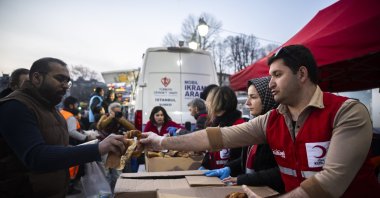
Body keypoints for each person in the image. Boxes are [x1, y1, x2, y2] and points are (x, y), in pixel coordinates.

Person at [140, 45, 380, 197]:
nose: (271, 83)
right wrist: (161, 142)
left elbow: (331, 182)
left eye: (277, 75)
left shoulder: (347, 112)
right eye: (270, 75)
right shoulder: (272, 119)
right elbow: (217, 137)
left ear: (302, 74)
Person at [0, 57, 126, 197]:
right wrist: (97, 149)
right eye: (60, 79)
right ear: (37, 78)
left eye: (68, 81)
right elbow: (36, 156)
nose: (65, 85)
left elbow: (58, 147)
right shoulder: (15, 107)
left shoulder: (51, 109)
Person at [206, 76, 284, 193]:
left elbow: (279, 172)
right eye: (248, 97)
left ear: (268, 97)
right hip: (253, 190)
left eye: (253, 97)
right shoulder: (254, 125)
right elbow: (247, 159)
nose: (247, 103)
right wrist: (229, 168)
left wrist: (242, 179)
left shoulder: (279, 129)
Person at [199, 86, 245, 171]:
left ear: (220, 103)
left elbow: (241, 157)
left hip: (231, 178)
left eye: (209, 100)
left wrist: (229, 168)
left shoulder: (239, 125)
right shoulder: (214, 123)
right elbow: (209, 151)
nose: (206, 104)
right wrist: (205, 165)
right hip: (214, 176)